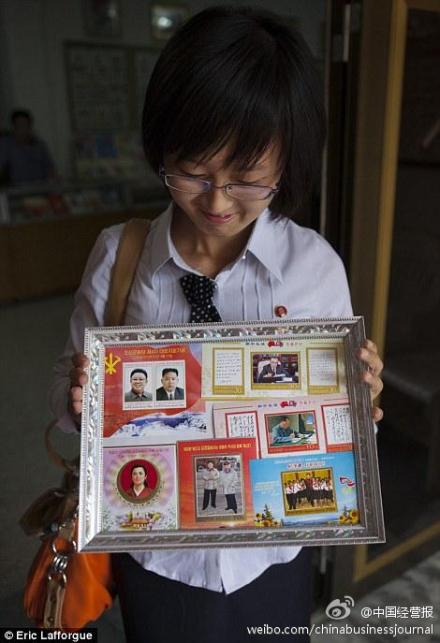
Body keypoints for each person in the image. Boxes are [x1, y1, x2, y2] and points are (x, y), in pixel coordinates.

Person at [50, 7, 384, 642]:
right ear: (162, 148)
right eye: (193, 174)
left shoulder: (313, 267)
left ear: (285, 166)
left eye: (249, 181)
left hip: (275, 556)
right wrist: (79, 397)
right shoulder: (120, 259)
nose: (218, 203)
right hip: (157, 555)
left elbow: (335, 425)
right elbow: (63, 408)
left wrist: (359, 405)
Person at [0, 110, 56, 185]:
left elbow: (50, 168)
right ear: (13, 127)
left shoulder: (39, 145)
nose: (22, 129)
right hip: (17, 191)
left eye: (25, 125)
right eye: (18, 126)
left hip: (41, 189)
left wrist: (52, 180)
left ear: (30, 126)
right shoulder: (6, 144)